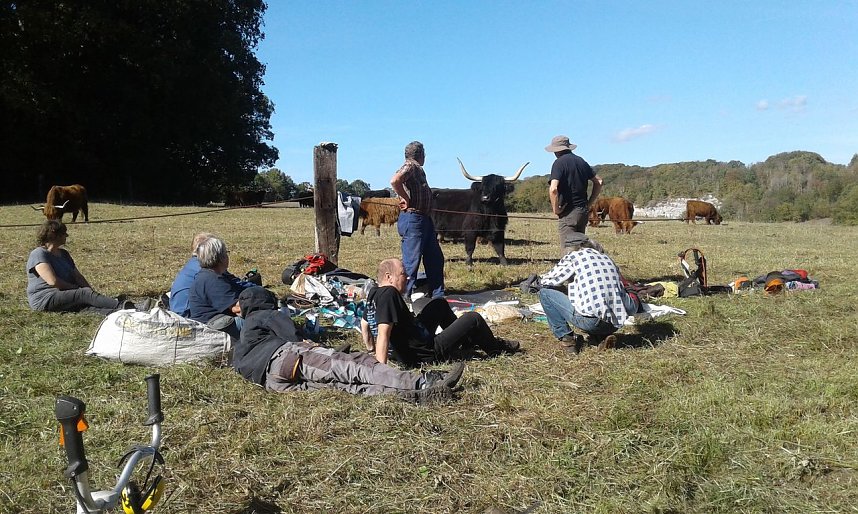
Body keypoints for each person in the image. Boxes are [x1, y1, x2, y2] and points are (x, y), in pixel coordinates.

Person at [235, 286, 463, 402]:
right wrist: (316, 347)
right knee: (355, 366)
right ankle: (424, 382)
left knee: (345, 388)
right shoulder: (264, 314)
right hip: (286, 357)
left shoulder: (245, 334)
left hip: (272, 382)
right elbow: (294, 336)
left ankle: (412, 398)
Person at [360, 258, 519, 367]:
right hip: (426, 353)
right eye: (403, 274)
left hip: (415, 340)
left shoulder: (374, 293)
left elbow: (365, 324)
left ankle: (467, 340)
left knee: (439, 304)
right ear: (389, 277)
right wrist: (379, 369)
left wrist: (370, 350)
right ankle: (496, 348)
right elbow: (383, 333)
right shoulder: (389, 294)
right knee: (474, 318)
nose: (408, 278)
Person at [536, 237, 639, 353]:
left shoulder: (575, 257)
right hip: (615, 322)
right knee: (595, 301)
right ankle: (601, 338)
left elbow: (548, 280)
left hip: (590, 322)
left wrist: (536, 282)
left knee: (545, 293)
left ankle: (567, 339)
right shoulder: (607, 259)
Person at [25, 220, 133, 314]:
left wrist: (92, 295)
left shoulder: (64, 254)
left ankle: (121, 313)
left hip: (64, 294)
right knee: (82, 294)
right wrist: (80, 290)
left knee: (86, 307)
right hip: (45, 298)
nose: (66, 236)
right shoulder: (38, 254)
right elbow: (53, 282)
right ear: (54, 234)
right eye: (64, 233)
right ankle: (123, 306)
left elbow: (78, 277)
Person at [389, 140, 445, 299]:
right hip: (413, 219)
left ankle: (437, 295)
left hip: (423, 219)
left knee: (435, 258)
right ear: (421, 155)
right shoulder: (411, 166)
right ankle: (404, 297)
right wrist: (405, 198)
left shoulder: (416, 169)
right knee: (411, 261)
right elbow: (395, 180)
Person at [169, 232, 256, 318]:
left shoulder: (193, 265)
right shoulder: (207, 270)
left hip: (179, 312)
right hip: (189, 316)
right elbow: (234, 286)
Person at [188, 236, 254, 339]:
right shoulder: (213, 280)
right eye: (226, 252)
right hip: (214, 327)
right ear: (220, 257)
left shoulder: (208, 275)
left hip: (216, 322)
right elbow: (238, 309)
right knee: (261, 323)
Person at [545, 135, 604, 249]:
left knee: (568, 252)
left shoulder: (558, 163)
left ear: (556, 151)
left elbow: (553, 189)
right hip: (582, 212)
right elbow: (599, 181)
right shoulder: (581, 161)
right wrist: (589, 203)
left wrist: (556, 209)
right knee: (580, 249)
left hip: (568, 212)